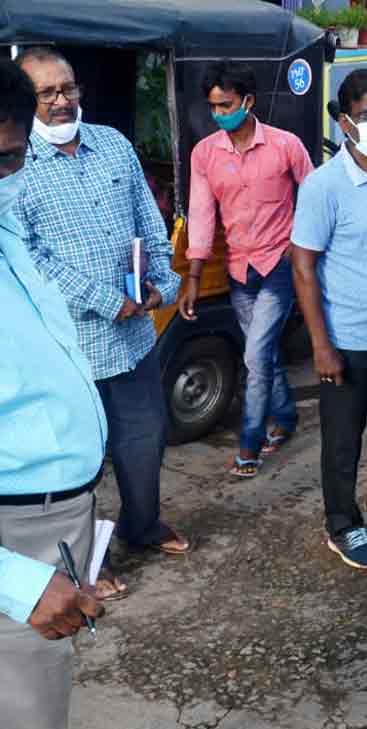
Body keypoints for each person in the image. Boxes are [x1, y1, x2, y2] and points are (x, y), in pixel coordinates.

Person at [16, 47, 191, 559]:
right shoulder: (15, 164)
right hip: (69, 346)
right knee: (79, 460)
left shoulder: (112, 144)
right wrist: (104, 300)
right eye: (46, 93)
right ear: (25, 101)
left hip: (134, 339)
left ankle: (143, 526)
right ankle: (84, 563)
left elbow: (150, 221)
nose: (61, 101)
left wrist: (162, 283)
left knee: (145, 438)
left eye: (67, 88)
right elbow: (30, 255)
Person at [0, 56, 107, 729]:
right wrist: (16, 581)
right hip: (14, 543)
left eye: (7, 159)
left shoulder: (9, 224)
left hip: (55, 524)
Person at [290, 69, 367, 570]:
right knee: (342, 442)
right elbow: (303, 266)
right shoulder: (325, 186)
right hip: (347, 339)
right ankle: (342, 522)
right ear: (345, 123)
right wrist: (321, 345)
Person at [183, 59, 314, 478]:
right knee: (264, 354)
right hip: (239, 269)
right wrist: (193, 276)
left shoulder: (285, 145)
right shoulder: (205, 154)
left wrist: (299, 247)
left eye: (226, 105)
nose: (219, 114)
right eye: (214, 107)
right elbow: (201, 214)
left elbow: (314, 196)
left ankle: (249, 443)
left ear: (248, 101)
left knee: (255, 355)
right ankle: (286, 417)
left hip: (278, 265)